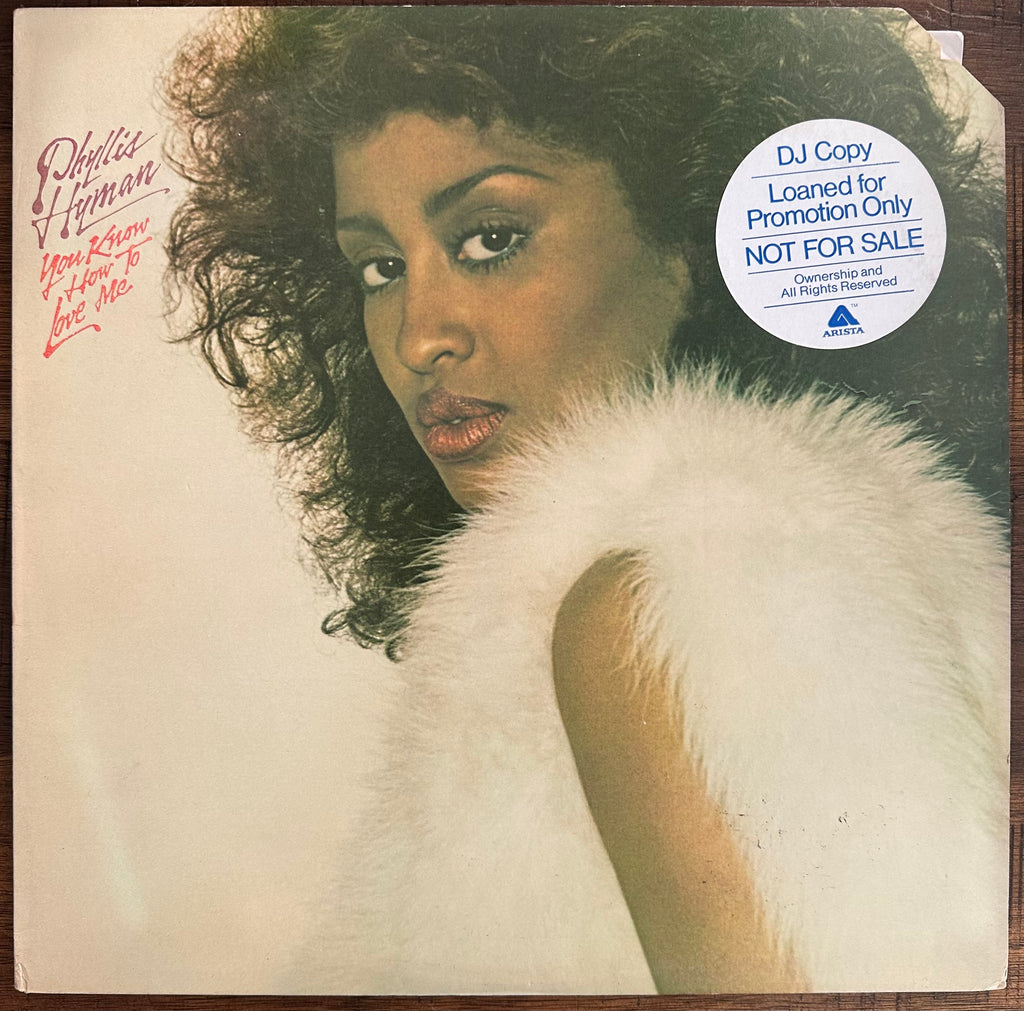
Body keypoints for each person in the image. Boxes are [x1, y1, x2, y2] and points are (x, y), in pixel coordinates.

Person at [163, 5, 1009, 994]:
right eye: (381, 268)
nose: (419, 335)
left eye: (490, 238)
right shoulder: (855, 526)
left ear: (688, 234)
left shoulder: (657, 604)